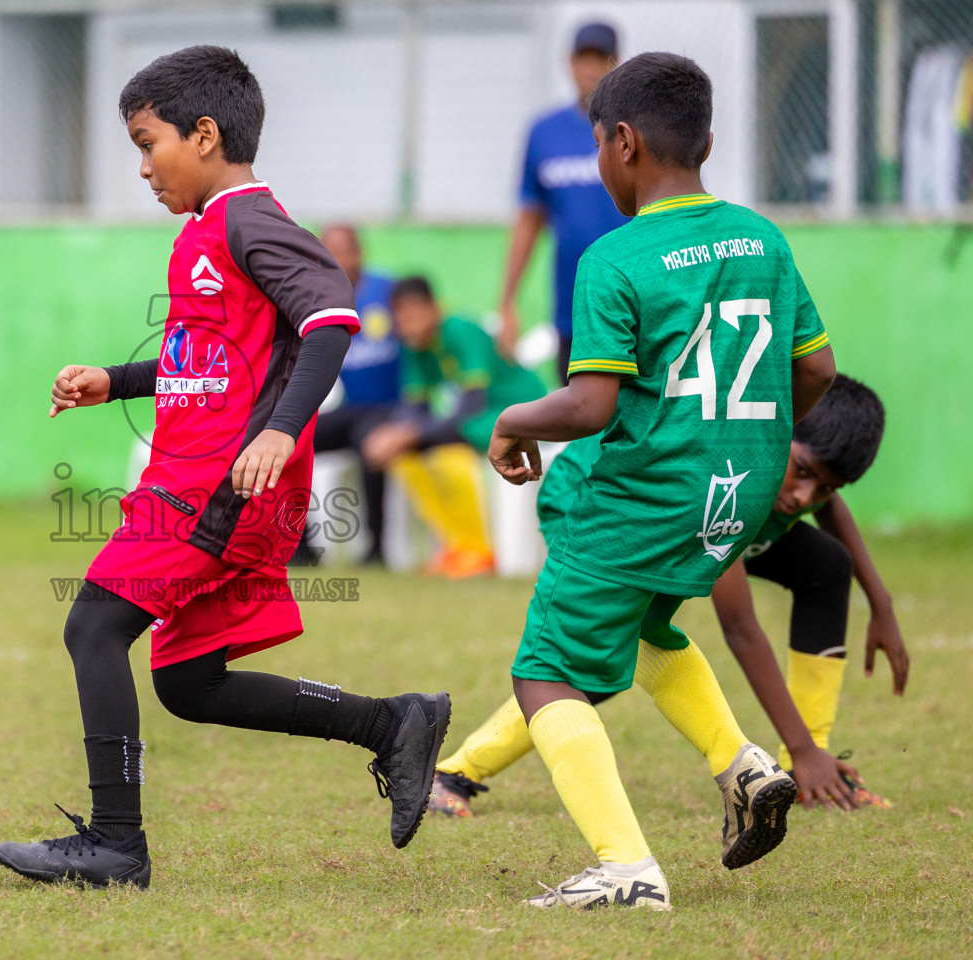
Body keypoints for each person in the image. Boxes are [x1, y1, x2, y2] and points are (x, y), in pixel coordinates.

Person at [0, 46, 450, 890]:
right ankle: (394, 725)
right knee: (189, 681)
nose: (141, 166)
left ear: (204, 135)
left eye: (146, 141)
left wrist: (279, 430)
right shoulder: (204, 233)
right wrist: (116, 383)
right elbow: (211, 361)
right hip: (210, 477)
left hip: (218, 484)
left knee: (93, 626)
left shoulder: (246, 217)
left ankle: (115, 845)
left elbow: (333, 316)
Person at [485, 52, 837, 910]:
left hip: (651, 488)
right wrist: (747, 437)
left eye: (600, 145)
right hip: (740, 487)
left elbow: (590, 404)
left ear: (623, 143)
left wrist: (510, 421)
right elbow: (820, 370)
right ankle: (745, 768)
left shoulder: (615, 257)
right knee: (647, 626)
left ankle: (626, 870)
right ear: (707, 141)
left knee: (544, 674)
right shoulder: (764, 238)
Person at [431, 374, 902, 820]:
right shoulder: (728, 472)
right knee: (614, 651)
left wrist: (881, 605)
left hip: (696, 507)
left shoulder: (785, 467)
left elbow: (827, 498)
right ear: (774, 429)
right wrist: (800, 748)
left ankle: (809, 770)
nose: (805, 497)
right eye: (801, 471)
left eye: (823, 485)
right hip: (600, 501)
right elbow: (741, 629)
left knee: (826, 568)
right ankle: (455, 773)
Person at [359, 276, 546, 577]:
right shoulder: (414, 347)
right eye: (400, 318)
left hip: (515, 409)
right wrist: (392, 433)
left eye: (413, 315)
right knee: (405, 458)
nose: (407, 326)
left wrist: (409, 433)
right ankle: (459, 546)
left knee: (451, 447)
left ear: (434, 309)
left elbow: (471, 404)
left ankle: (481, 550)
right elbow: (414, 408)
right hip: (480, 417)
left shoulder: (460, 330)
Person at [496, 21, 629, 384]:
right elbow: (529, 219)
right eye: (583, 58)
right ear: (568, 63)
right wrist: (507, 302)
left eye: (600, 58)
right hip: (573, 306)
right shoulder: (544, 132)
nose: (591, 68)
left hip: (634, 302)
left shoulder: (634, 126)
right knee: (580, 413)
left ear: (617, 63)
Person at [302, 225, 401, 565]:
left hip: (392, 408)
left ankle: (376, 548)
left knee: (369, 440)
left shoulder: (389, 292)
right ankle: (300, 547)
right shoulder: (317, 302)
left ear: (359, 252)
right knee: (290, 439)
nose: (338, 259)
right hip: (351, 408)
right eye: (329, 251)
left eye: (345, 250)